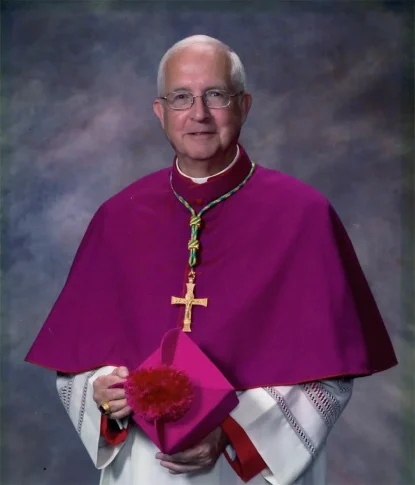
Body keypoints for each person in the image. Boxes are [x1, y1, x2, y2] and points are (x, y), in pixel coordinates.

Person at [26, 35, 397, 485]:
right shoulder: (117, 217)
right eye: (181, 97)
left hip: (250, 470)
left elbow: (329, 375)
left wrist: (230, 433)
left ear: (244, 106)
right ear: (160, 112)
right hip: (147, 466)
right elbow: (78, 365)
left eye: (216, 95)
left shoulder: (305, 215)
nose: (198, 113)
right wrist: (103, 393)